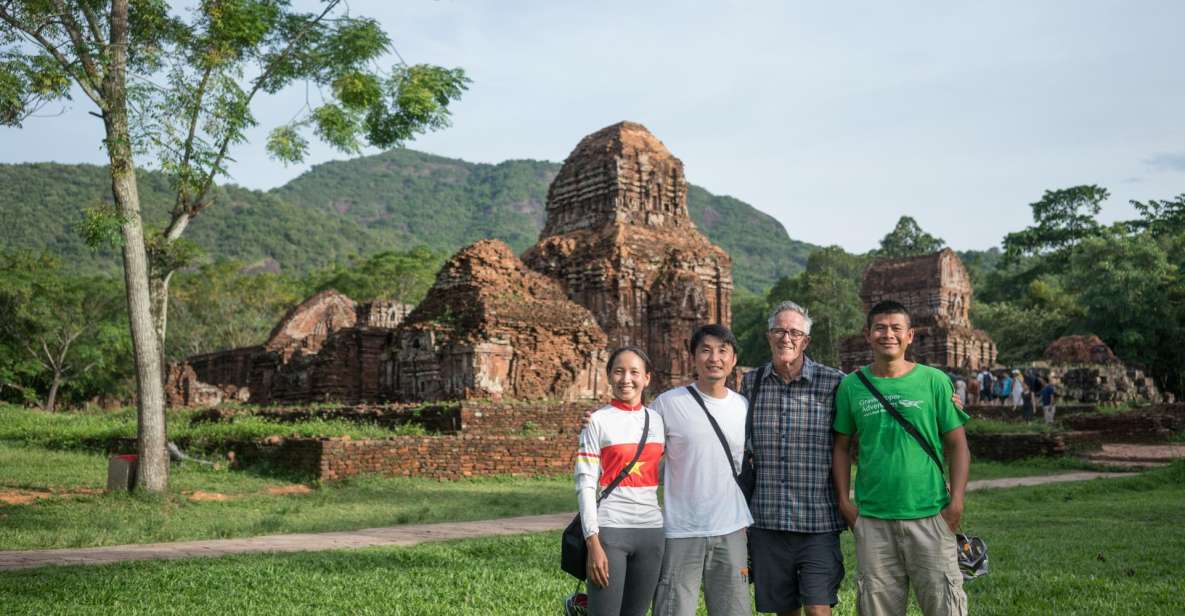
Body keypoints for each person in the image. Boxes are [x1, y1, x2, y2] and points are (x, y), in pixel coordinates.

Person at [832, 300, 970, 616]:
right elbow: (841, 446)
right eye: (880, 328)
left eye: (896, 328)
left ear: (910, 336)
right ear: (867, 334)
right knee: (876, 608)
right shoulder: (852, 387)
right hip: (874, 520)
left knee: (945, 607)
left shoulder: (934, 381)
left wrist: (957, 502)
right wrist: (845, 502)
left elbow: (958, 445)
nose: (888, 334)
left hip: (930, 515)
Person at [740, 301, 847, 616]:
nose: (786, 338)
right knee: (784, 610)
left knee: (818, 608)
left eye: (795, 332)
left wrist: (940, 403)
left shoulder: (834, 382)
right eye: (779, 331)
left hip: (818, 521)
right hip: (767, 519)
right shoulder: (751, 383)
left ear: (806, 341)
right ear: (769, 336)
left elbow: (869, 420)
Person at [651, 324, 753, 616]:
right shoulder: (668, 404)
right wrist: (602, 421)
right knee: (673, 609)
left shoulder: (743, 406)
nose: (714, 358)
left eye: (723, 351)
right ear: (692, 357)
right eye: (706, 350)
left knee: (734, 610)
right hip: (682, 529)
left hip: (731, 528)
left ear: (733, 360)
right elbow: (639, 447)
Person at [575, 347, 666, 616]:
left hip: (651, 532)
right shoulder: (597, 421)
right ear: (609, 377)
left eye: (634, 372)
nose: (626, 378)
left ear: (647, 378)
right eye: (619, 371)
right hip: (610, 532)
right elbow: (585, 483)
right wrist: (593, 542)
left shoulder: (658, 421)